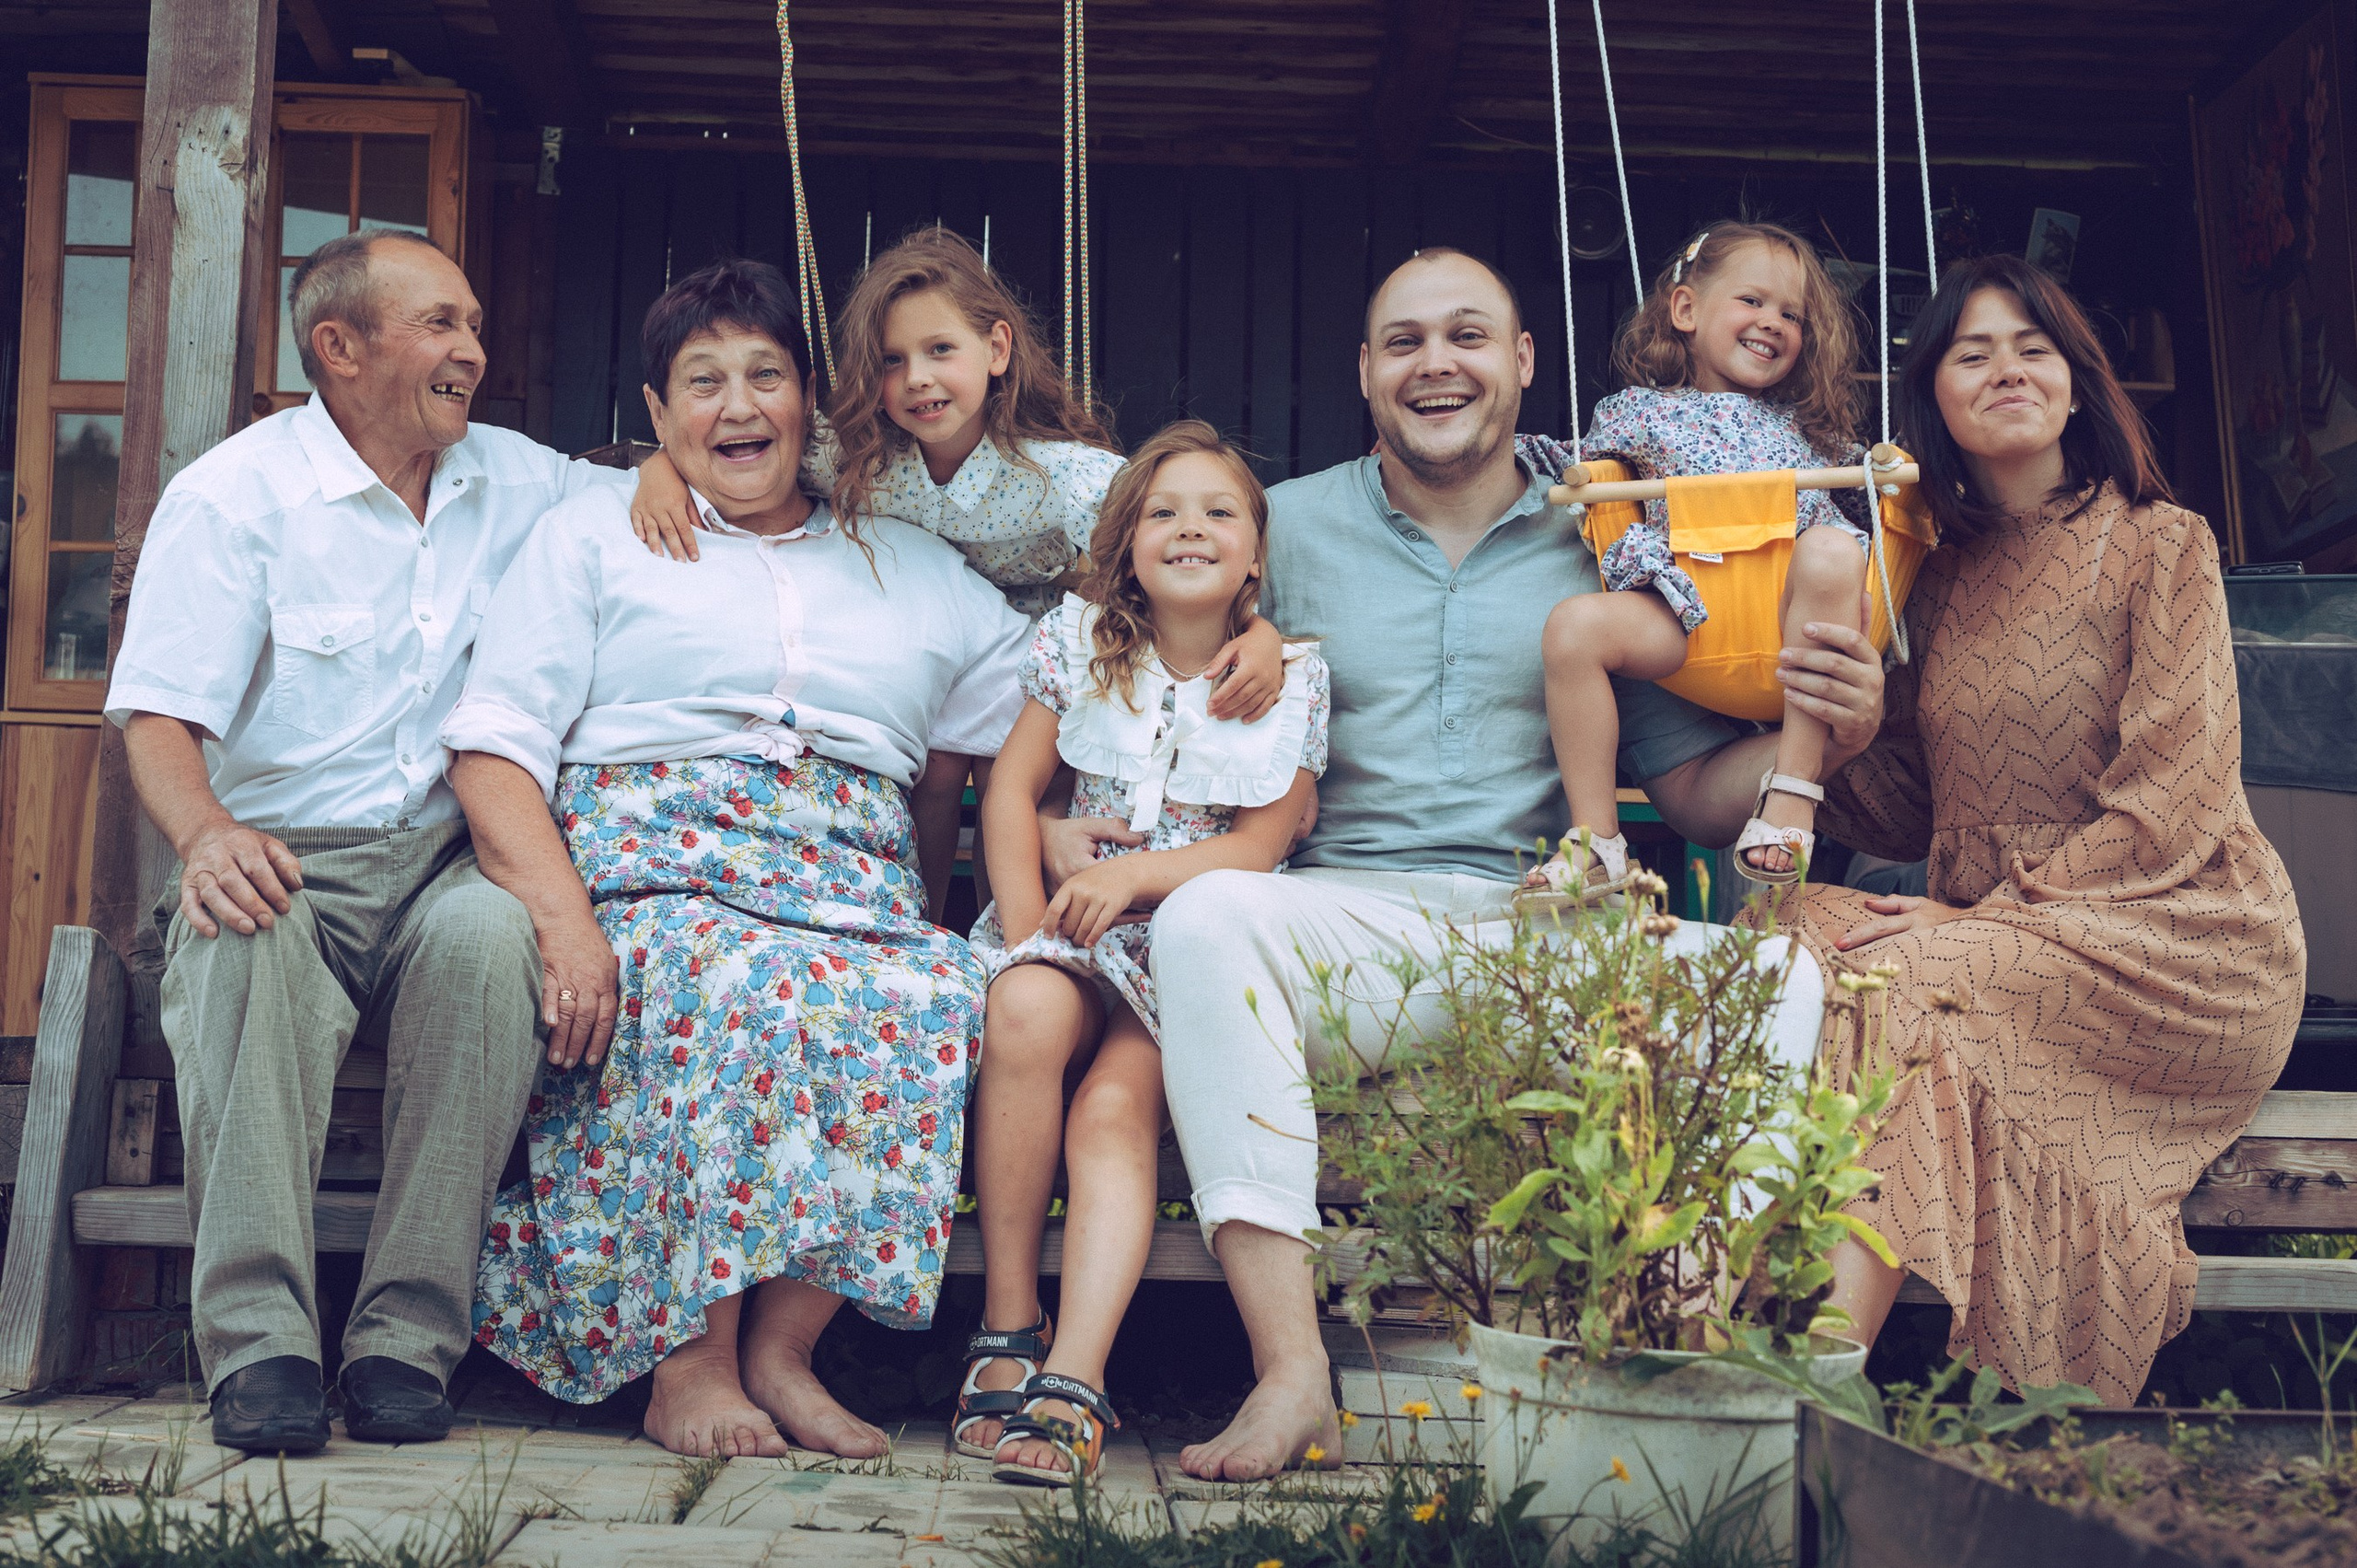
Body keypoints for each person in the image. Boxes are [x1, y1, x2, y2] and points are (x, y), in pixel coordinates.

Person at [1121, 246, 1890, 1481]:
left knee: (1782, 985)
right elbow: (1136, 635)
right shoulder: (1285, 525)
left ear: (1524, 362)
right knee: (1210, 916)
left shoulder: (1612, 521)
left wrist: (1832, 726)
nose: (1439, 364)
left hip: (1547, 930)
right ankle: (1291, 1369)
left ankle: (1680, 1359)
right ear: (1366, 371)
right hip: (1342, 926)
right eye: (1407, 340)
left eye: (1470, 336)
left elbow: (1695, 794)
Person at [103, 228, 694, 1453]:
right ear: (341, 346)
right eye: (441, 324)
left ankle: (402, 1341)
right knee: (246, 933)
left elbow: (650, 479)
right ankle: (259, 1342)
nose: (472, 350)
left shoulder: (512, 474)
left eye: (475, 324)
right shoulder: (235, 497)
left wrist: (649, 468)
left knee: (497, 941)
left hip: (439, 861)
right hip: (282, 848)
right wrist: (206, 833)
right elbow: (157, 711)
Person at [447, 258, 1033, 1459]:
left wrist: (1239, 652)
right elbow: (494, 748)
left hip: (850, 889)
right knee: (720, 970)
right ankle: (690, 1359)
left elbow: (1060, 689)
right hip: (656, 874)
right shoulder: (594, 532)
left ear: (810, 401)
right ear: (656, 416)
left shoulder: (908, 565)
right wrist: (564, 919)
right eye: (702, 383)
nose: (739, 407)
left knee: (933, 988)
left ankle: (784, 1348)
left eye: (766, 375)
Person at [1799, 255, 2305, 1406]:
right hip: (1995, 939)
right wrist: (1839, 731)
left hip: (2176, 934)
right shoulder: (1929, 578)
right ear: (1936, 397)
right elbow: (1915, 805)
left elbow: (2172, 801)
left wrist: (1990, 911)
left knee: (1911, 976)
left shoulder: (2161, 543)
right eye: (1971, 353)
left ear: (2078, 386)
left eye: (2033, 348)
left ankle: (1818, 1366)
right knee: (1785, 935)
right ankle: (1720, 1320)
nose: (2006, 369)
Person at [630, 229, 1284, 920]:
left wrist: (1262, 631)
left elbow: (1179, 552)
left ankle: (1017, 926)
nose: (917, 377)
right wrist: (657, 470)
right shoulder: (859, 462)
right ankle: (923, 919)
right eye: (892, 360)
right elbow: (744, 443)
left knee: (1009, 769)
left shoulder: (1064, 473)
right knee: (938, 761)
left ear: (997, 350)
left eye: (941, 350)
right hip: (933, 637)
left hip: (1044, 649)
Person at [957, 422, 1329, 1486]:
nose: (1190, 528)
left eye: (1218, 511)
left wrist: (1130, 878)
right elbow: (1011, 792)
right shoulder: (1077, 642)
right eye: (1163, 511)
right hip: (1074, 927)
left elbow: (1260, 843)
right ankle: (1008, 1324)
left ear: (1255, 553)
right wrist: (1030, 934)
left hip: (1194, 947)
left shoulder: (1291, 676)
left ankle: (1077, 1376)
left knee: (1115, 1106)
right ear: (1125, 545)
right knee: (1024, 1008)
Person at [1519, 221, 1872, 901]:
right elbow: (1580, 457)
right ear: (1685, 310)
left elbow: (1864, 494)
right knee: (1573, 627)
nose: (1773, 321)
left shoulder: (1809, 431)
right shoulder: (1639, 411)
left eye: (1791, 314)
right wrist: (1524, 453)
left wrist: (1887, 473)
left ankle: (1793, 791)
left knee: (1831, 550)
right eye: (1753, 301)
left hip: (1783, 619)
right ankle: (1597, 841)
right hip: (1693, 612)